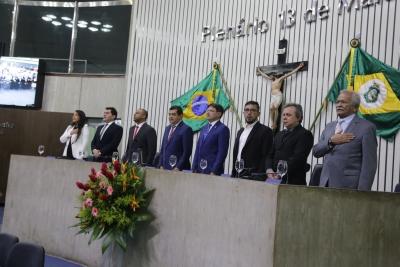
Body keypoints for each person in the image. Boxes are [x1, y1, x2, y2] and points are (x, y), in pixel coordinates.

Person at [313, 90, 377, 190]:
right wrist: (330, 141)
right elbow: (316, 152)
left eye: (343, 102)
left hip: (350, 186)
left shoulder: (366, 128)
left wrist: (363, 192)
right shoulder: (329, 126)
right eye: (338, 102)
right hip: (325, 184)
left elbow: (369, 164)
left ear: (355, 107)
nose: (339, 105)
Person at [265, 103, 314, 185]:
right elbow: (270, 155)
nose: (284, 117)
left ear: (298, 117)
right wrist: (269, 171)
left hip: (292, 181)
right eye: (283, 115)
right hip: (273, 179)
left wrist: (280, 173)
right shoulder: (279, 134)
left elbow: (297, 158)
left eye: (288, 115)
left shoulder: (304, 134)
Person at [256, 62, 304, 131]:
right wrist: (259, 71)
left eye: (271, 75)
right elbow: (264, 75)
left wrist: (299, 67)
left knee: (275, 108)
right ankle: (272, 122)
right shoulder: (271, 80)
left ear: (274, 75)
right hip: (273, 96)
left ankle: (275, 123)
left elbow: (290, 73)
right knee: (271, 108)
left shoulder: (280, 79)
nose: (270, 76)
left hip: (278, 94)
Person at [231, 101, 273, 177]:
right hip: (238, 172)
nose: (249, 113)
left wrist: (259, 175)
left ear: (258, 113)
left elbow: (266, 155)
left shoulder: (265, 131)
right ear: (243, 113)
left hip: (254, 174)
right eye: (246, 110)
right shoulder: (240, 131)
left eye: (253, 110)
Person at [192, 103, 230, 175]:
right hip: (199, 169)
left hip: (212, 170)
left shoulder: (222, 129)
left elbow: (222, 152)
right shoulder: (204, 128)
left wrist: (214, 170)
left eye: (211, 111)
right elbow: (198, 149)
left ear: (219, 114)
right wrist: (194, 167)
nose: (208, 112)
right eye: (207, 110)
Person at [158, 106, 193, 171]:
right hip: (165, 168)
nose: (171, 116)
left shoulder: (186, 129)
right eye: (169, 114)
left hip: (178, 169)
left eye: (173, 114)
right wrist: (161, 164)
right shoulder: (167, 128)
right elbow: (163, 148)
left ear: (180, 116)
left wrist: (178, 167)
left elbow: (187, 152)